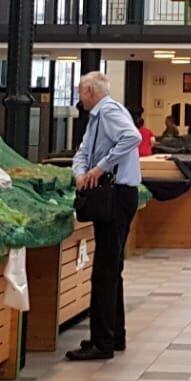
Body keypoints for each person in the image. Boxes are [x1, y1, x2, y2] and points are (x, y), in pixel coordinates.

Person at [68, 71, 142, 361]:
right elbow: (83, 150)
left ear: (90, 91)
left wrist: (100, 168)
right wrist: (80, 173)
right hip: (113, 196)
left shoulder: (109, 111)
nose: (79, 97)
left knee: (105, 271)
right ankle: (113, 335)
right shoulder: (96, 118)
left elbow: (132, 137)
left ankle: (103, 342)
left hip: (116, 196)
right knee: (111, 269)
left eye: (80, 91)